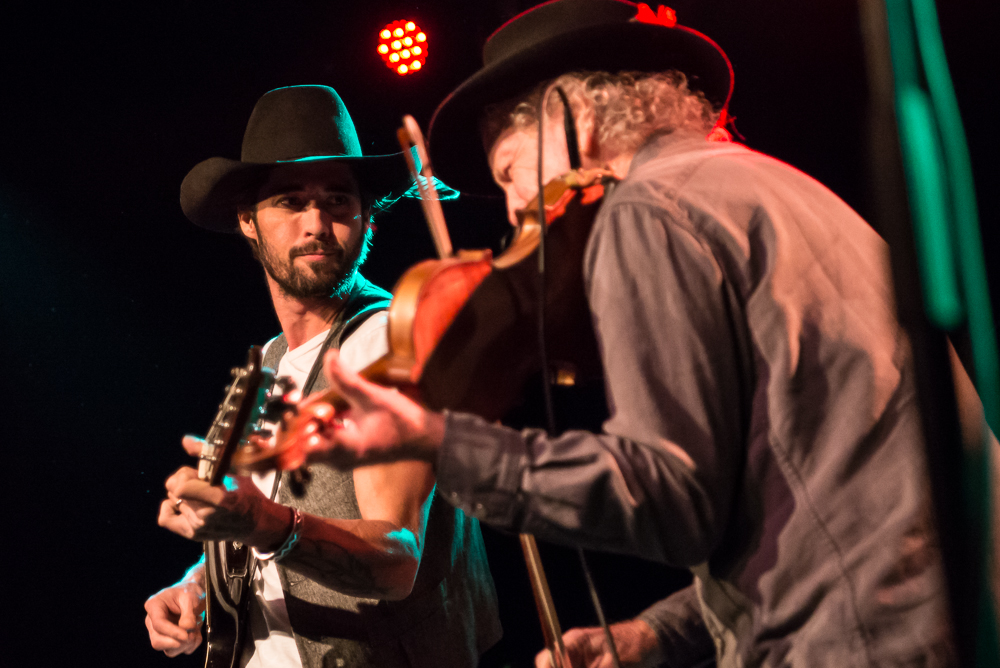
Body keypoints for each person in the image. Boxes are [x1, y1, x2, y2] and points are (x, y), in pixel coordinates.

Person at [270, 2, 963, 666]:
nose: (516, 212)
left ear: (574, 117)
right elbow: (810, 494)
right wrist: (658, 633)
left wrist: (443, 444)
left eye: (511, 173)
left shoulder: (648, 211)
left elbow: (668, 498)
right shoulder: (769, 184)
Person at [143, 85, 501, 668]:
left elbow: (398, 559)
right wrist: (199, 586)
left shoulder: (387, 344)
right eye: (289, 201)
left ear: (368, 221)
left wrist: (263, 524)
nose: (316, 223)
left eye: (338, 200)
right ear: (248, 222)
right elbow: (256, 525)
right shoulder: (271, 363)